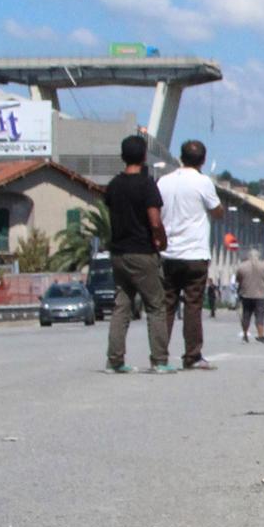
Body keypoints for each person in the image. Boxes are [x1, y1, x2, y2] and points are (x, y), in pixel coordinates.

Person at [104, 133, 173, 374]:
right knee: (155, 305)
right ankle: (159, 359)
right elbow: (154, 220)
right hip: (142, 252)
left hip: (119, 254)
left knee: (121, 306)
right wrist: (161, 239)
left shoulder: (113, 185)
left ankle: (114, 360)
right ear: (144, 156)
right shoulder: (146, 185)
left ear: (122, 156)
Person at [157, 138, 223, 371]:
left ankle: (159, 353)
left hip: (168, 253)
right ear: (203, 160)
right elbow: (217, 211)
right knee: (193, 305)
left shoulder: (163, 181)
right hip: (194, 253)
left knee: (166, 305)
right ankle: (192, 355)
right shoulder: (203, 182)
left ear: (180, 157)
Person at [235, 249, 264, 343]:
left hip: (246, 294)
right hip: (260, 295)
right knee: (260, 316)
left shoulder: (242, 266)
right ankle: (260, 335)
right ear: (258, 256)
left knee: (246, 315)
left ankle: (245, 334)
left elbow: (238, 279)